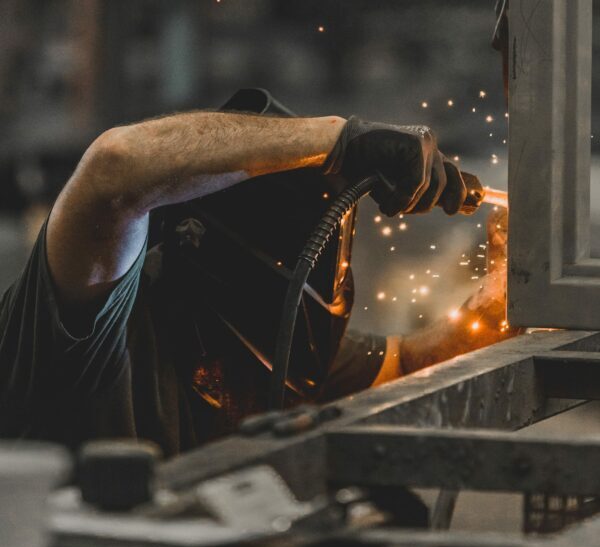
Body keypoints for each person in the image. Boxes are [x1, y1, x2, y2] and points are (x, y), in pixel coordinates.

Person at [0, 113, 515, 455]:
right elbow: (115, 166)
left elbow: (408, 364)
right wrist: (342, 141)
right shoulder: (86, 328)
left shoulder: (277, 343)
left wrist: (501, 297)